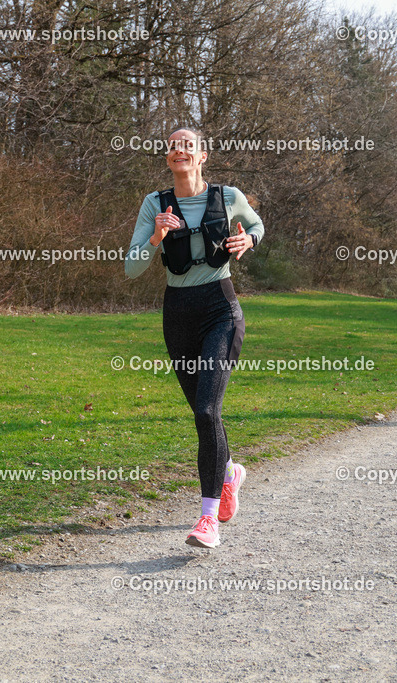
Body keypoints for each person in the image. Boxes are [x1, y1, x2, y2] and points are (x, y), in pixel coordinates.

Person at [125, 127, 264, 548]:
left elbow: (255, 224)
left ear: (202, 157)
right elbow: (132, 268)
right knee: (206, 416)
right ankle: (229, 473)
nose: (178, 150)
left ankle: (207, 520)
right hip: (178, 314)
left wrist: (248, 239)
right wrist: (155, 238)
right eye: (172, 146)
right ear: (168, 158)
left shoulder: (227, 196)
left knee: (207, 411)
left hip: (221, 311)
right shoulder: (155, 204)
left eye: (188, 145)